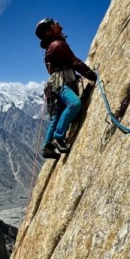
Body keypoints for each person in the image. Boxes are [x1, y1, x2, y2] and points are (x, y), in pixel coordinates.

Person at [35, 18, 97, 159]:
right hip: (63, 82)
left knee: (57, 115)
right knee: (74, 103)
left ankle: (47, 146)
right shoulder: (58, 45)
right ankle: (58, 137)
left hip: (55, 85)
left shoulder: (51, 47)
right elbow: (74, 62)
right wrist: (92, 75)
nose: (57, 22)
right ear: (49, 32)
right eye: (53, 23)